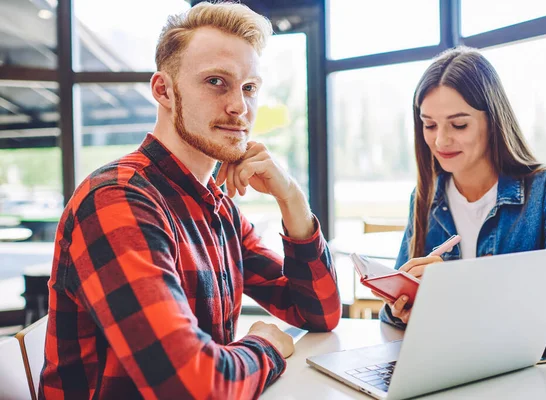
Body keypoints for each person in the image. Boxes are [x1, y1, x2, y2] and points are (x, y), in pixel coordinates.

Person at [40, 2, 341, 399]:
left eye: (249, 87)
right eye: (217, 81)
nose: (240, 107)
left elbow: (318, 312)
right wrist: (266, 344)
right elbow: (194, 387)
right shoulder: (118, 200)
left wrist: (292, 199)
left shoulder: (217, 207)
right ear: (163, 90)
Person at [378, 46, 546, 343]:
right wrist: (403, 307)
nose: (441, 140)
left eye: (459, 124)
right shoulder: (427, 199)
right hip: (448, 370)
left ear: (493, 121)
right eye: (429, 124)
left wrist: (465, 291)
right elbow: (394, 310)